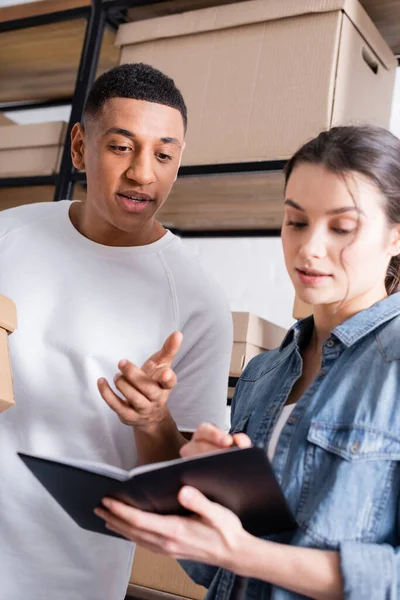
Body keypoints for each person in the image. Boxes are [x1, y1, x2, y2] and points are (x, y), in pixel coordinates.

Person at [96, 125, 400, 599]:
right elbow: (212, 569)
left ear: (396, 237)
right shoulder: (263, 375)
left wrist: (242, 551)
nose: (309, 248)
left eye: (342, 227)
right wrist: (155, 423)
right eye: (296, 221)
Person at [0, 63, 232, 600]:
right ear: (79, 147)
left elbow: (182, 487)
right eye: (122, 147)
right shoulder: (8, 235)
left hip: (69, 578)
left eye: (164, 155)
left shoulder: (197, 301)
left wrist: (153, 419)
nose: (142, 174)